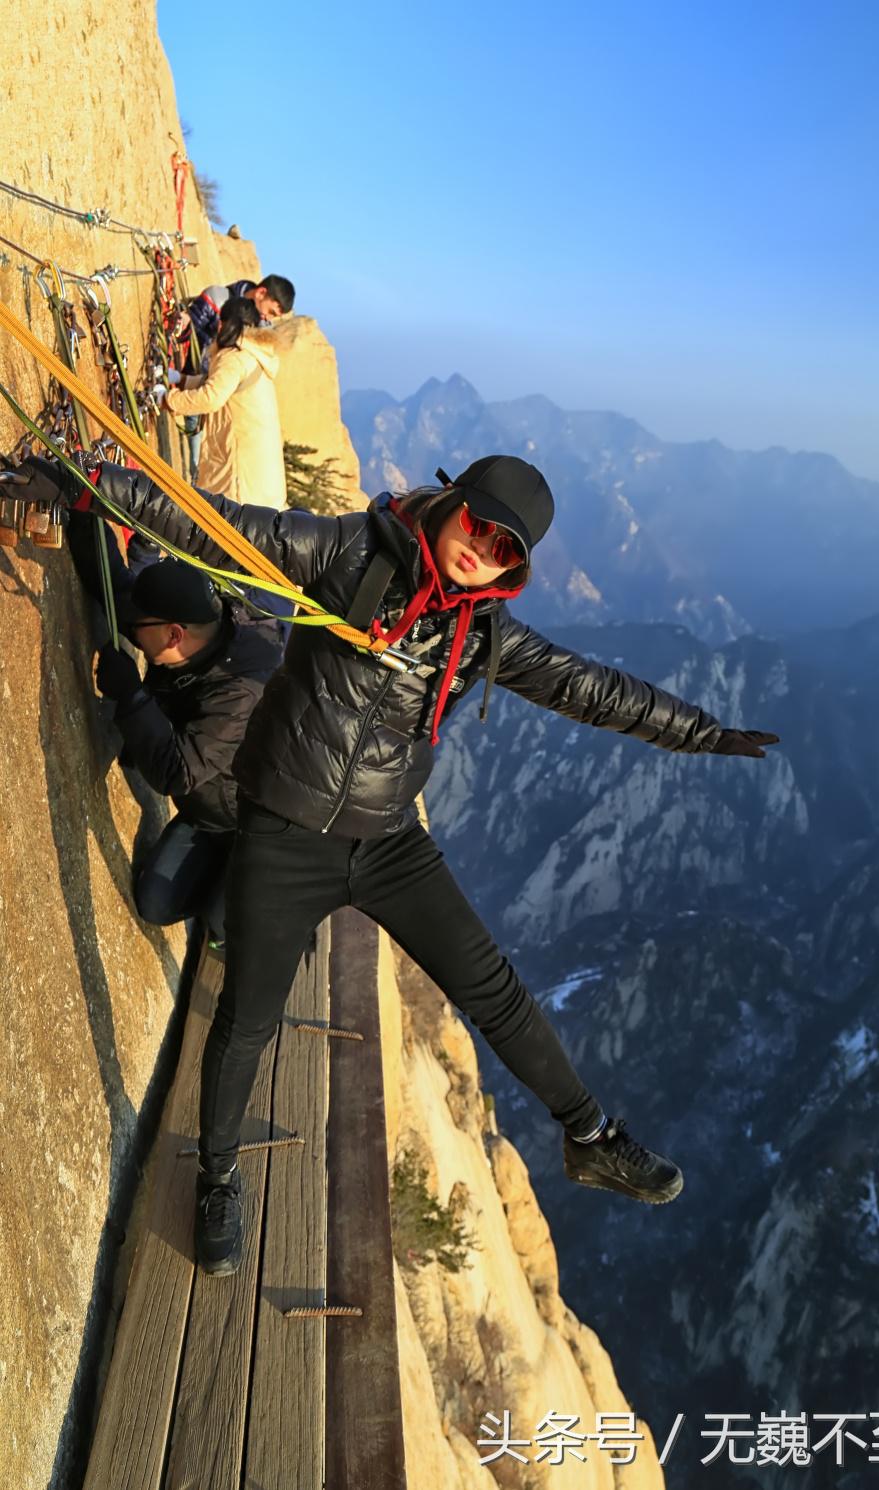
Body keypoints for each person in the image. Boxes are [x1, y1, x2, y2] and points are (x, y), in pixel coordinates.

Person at [9, 453, 780, 1278]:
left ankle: (591, 1138)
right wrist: (81, 482)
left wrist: (701, 733)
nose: (484, 550)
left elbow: (587, 688)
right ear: (451, 502)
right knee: (247, 1019)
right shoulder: (351, 554)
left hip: (387, 841)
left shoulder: (478, 631)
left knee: (494, 987)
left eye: (507, 551)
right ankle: (218, 1176)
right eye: (480, 525)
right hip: (284, 831)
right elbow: (218, 525)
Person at [64, 512, 284, 947]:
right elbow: (120, 593)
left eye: (143, 630)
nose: (132, 630)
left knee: (220, 927)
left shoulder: (241, 692)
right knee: (154, 902)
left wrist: (132, 696)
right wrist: (78, 512)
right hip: (209, 813)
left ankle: (242, 910)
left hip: (249, 830)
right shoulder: (198, 621)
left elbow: (175, 773)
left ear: (173, 636)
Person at [159, 297, 287, 510]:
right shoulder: (255, 354)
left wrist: (166, 399)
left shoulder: (235, 357)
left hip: (242, 484)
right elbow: (223, 385)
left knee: (212, 532)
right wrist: (181, 380)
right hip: (262, 484)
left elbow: (211, 397)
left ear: (223, 324)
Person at [174, 272, 295, 376]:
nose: (269, 319)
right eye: (271, 312)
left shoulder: (262, 332)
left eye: (274, 316)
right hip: (188, 378)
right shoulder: (217, 297)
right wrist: (184, 322)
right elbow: (186, 333)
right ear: (261, 293)